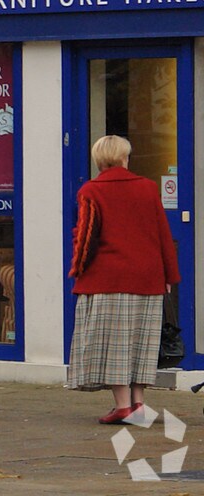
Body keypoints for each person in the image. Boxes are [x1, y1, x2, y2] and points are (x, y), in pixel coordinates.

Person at [70, 134, 180, 425]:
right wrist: (169, 274)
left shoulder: (91, 190)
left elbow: (85, 239)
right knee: (142, 341)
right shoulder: (147, 188)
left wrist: (78, 271)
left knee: (115, 344)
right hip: (147, 276)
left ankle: (122, 406)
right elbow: (162, 235)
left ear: (99, 159)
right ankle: (140, 405)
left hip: (107, 278)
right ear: (123, 157)